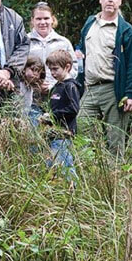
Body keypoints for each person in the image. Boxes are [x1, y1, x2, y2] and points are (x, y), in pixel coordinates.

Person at [76, 0, 132, 155]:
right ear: (100, 0)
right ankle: (90, 173)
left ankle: (115, 176)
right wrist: (77, 52)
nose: (110, 0)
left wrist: (131, 95)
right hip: (89, 89)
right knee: (82, 131)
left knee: (115, 139)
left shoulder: (127, 31)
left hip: (112, 90)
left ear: (120, 2)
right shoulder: (90, 23)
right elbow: (81, 46)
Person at [41, 49, 80, 183]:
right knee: (52, 165)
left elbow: (73, 109)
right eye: (50, 69)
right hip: (52, 134)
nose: (52, 73)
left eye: (55, 69)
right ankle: (56, 190)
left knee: (65, 164)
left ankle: (72, 190)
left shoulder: (70, 86)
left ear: (67, 67)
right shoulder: (56, 87)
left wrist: (52, 116)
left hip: (64, 134)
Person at [27, 2, 78, 92]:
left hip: (59, 92)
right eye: (38, 19)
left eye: (46, 18)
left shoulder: (63, 42)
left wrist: (55, 85)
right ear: (32, 20)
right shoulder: (24, 42)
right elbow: (18, 68)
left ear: (52, 19)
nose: (42, 22)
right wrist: (35, 84)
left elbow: (73, 69)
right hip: (30, 94)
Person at [20, 55, 46, 124]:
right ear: (24, 68)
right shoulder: (19, 84)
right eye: (33, 70)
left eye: (38, 72)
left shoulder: (32, 87)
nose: (35, 74)